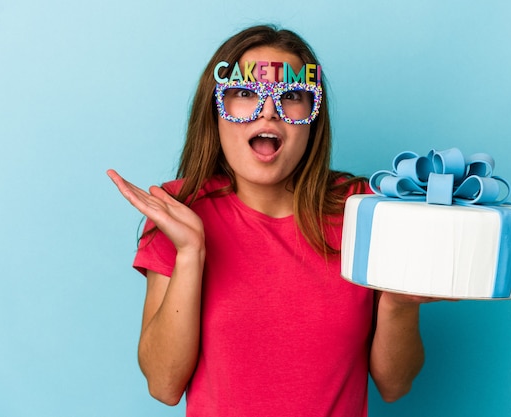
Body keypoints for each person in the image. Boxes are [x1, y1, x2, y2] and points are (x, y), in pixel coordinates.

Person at [107, 24, 433, 417]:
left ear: (312, 118)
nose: (267, 111)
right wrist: (190, 253)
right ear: (216, 110)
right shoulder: (180, 209)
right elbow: (163, 385)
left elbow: (395, 385)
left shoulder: (363, 208)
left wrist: (399, 300)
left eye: (292, 96)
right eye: (245, 93)